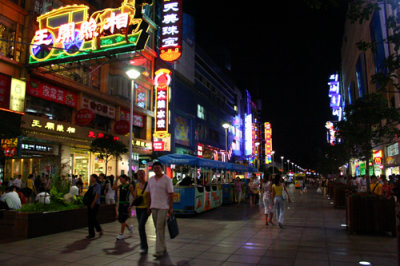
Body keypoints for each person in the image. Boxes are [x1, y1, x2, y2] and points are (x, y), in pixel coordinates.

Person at [145, 162, 174, 258]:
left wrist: (170, 207)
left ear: (162, 168)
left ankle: (159, 250)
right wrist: (148, 206)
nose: (156, 169)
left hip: (163, 207)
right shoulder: (151, 180)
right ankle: (163, 247)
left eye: (158, 168)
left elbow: (171, 194)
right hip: (153, 207)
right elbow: (148, 194)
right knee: (158, 229)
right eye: (155, 168)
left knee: (159, 227)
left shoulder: (167, 179)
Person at [133, 169, 150, 254]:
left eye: (142, 174)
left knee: (140, 226)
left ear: (145, 175)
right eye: (139, 174)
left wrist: (149, 207)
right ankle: (144, 246)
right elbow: (135, 197)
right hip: (138, 208)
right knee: (141, 227)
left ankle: (143, 246)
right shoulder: (136, 185)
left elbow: (150, 196)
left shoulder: (148, 185)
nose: (141, 176)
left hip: (145, 208)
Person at [114, 174, 134, 240]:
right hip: (120, 204)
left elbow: (134, 195)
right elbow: (113, 188)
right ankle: (129, 227)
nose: (120, 180)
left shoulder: (129, 186)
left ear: (125, 179)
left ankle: (121, 234)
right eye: (120, 179)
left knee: (123, 219)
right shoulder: (120, 186)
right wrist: (116, 180)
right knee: (120, 220)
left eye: (121, 179)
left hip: (126, 204)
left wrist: (132, 205)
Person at [87, 174, 103, 240]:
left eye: (91, 177)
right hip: (90, 203)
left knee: (93, 218)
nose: (90, 179)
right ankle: (91, 233)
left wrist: (93, 203)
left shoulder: (97, 186)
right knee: (90, 219)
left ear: (95, 178)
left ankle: (97, 230)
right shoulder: (91, 186)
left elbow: (97, 195)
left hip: (95, 204)